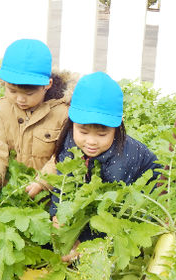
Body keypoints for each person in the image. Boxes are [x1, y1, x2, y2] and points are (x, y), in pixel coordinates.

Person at [26, 71, 160, 260]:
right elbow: (64, 182)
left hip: (144, 194)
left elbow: (107, 211)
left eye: (102, 134)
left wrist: (85, 243)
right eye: (83, 131)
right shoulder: (71, 140)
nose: (91, 142)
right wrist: (58, 216)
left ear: (118, 125)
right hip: (100, 189)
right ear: (72, 121)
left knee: (127, 229)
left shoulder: (121, 161)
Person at [0, 39, 78, 189]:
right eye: (12, 91)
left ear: (47, 85)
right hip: (9, 191)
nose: (20, 99)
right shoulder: (2, 109)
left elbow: (64, 155)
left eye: (29, 93)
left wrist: (42, 183)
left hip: (49, 193)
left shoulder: (63, 112)